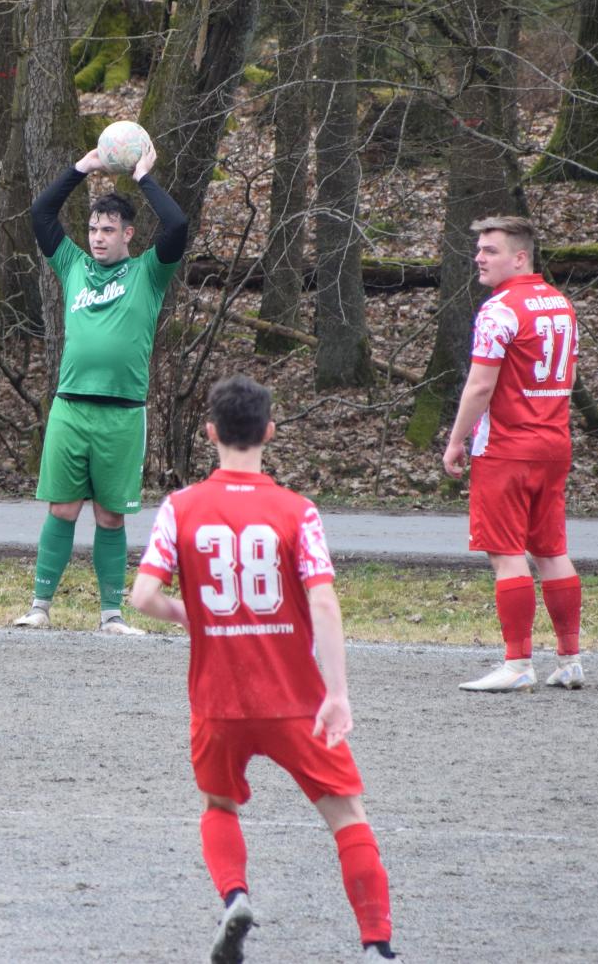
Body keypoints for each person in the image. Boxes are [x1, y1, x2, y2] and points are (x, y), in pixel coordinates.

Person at [129, 375, 397, 962]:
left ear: (210, 433)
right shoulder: (296, 512)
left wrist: (194, 617)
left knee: (218, 806)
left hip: (218, 701)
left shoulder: (181, 507)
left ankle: (234, 898)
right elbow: (324, 601)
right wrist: (338, 694)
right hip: (294, 699)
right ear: (269, 433)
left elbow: (143, 596)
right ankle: (377, 943)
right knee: (347, 815)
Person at [13, 140, 187, 634]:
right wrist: (82, 168)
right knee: (62, 509)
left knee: (111, 517)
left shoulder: (148, 274)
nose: (97, 237)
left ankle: (111, 614)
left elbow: (177, 227)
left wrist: (145, 177)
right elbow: (42, 213)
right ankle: (40, 607)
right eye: (92, 229)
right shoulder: (72, 266)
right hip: (71, 408)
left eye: (108, 230)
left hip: (123, 413)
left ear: (128, 234)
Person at [441, 215, 585, 693]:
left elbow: (481, 385)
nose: (479, 257)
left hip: (506, 446)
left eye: (491, 250)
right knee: (552, 552)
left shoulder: (499, 309)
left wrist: (456, 439)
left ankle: (518, 662)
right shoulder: (560, 304)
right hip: (554, 442)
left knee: (506, 556)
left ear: (520, 256)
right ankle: (569, 659)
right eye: (479, 248)